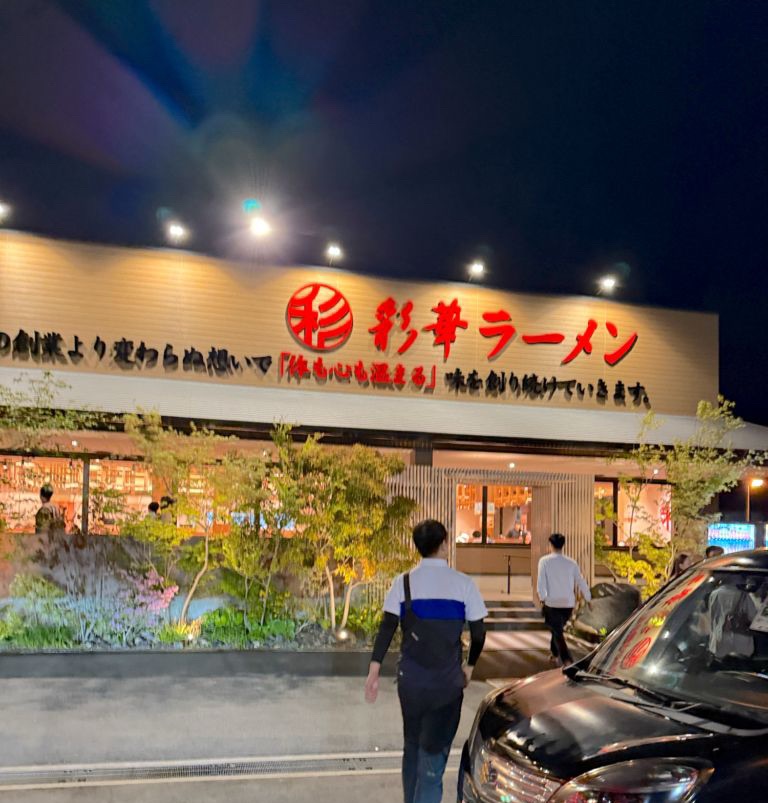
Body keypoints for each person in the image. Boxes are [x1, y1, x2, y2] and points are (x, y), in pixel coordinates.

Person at [364, 519, 487, 803]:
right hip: (446, 687)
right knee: (432, 761)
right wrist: (469, 667)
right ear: (444, 544)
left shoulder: (403, 583)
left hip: (411, 685)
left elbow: (387, 628)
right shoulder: (463, 584)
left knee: (412, 746)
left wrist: (374, 671)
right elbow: (479, 634)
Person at [536, 532, 591, 667]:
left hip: (552, 602)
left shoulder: (544, 561)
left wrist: (542, 597)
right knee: (557, 629)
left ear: (550, 545)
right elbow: (580, 580)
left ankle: (567, 660)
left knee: (557, 631)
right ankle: (554, 653)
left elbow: (541, 582)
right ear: (563, 545)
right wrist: (588, 597)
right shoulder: (571, 563)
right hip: (568, 603)